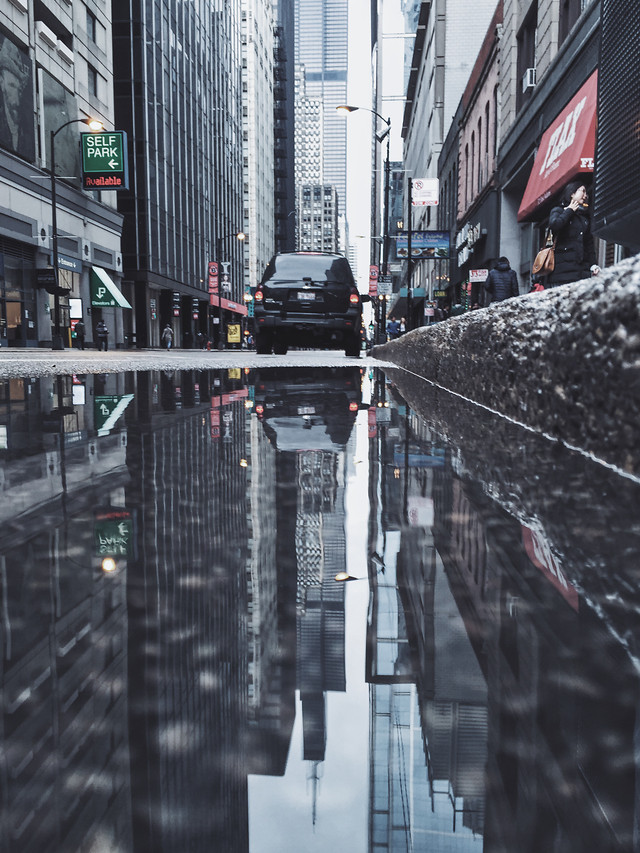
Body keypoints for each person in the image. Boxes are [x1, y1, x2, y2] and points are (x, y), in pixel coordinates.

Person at [547, 180, 600, 286]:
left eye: (586, 193)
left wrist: (594, 265)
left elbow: (589, 245)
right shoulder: (558, 210)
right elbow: (555, 225)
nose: (585, 195)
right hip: (561, 274)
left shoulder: (584, 218)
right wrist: (569, 211)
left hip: (581, 274)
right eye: (582, 191)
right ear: (572, 193)